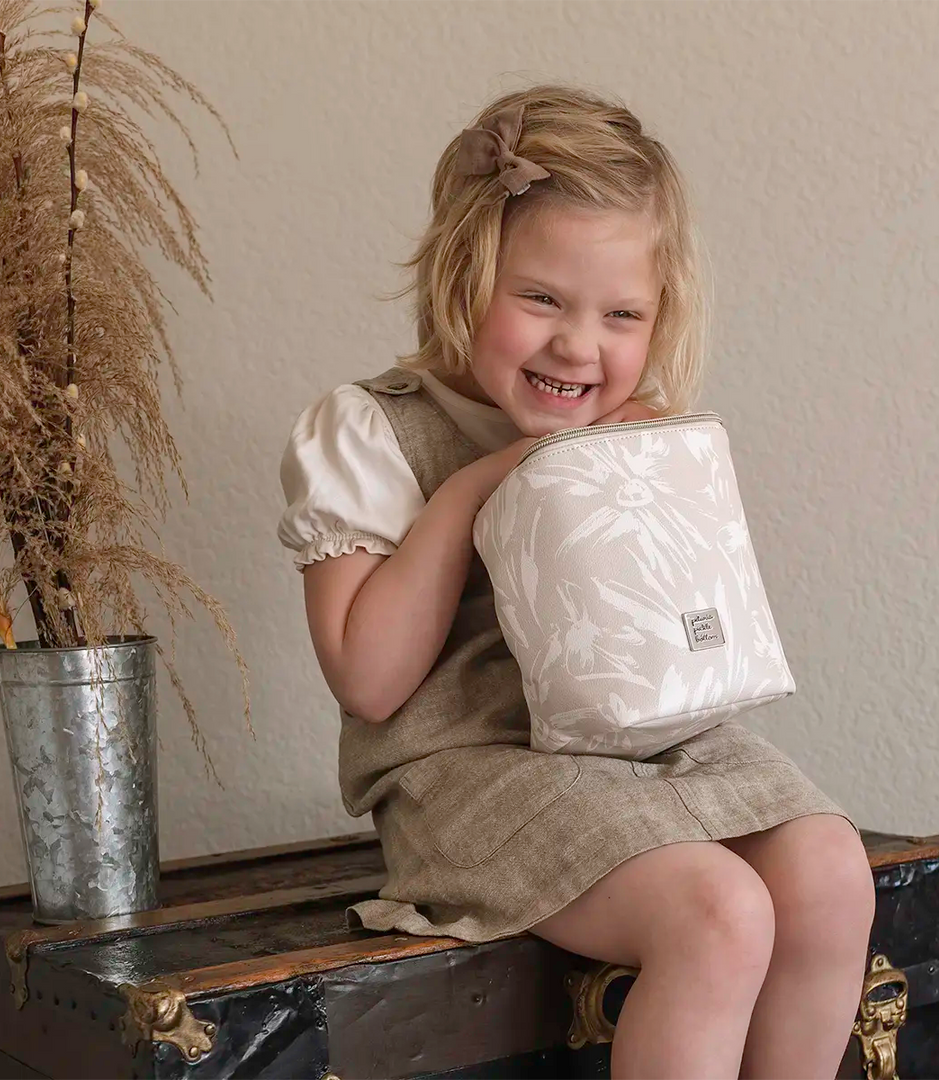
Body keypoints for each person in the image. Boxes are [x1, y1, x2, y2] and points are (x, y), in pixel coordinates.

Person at [278, 84, 875, 1080]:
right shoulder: (370, 430)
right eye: (542, 299)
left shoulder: (630, 429)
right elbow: (370, 683)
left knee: (829, 871)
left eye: (622, 314)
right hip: (473, 772)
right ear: (465, 273)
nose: (579, 345)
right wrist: (478, 487)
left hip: (645, 754)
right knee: (716, 912)